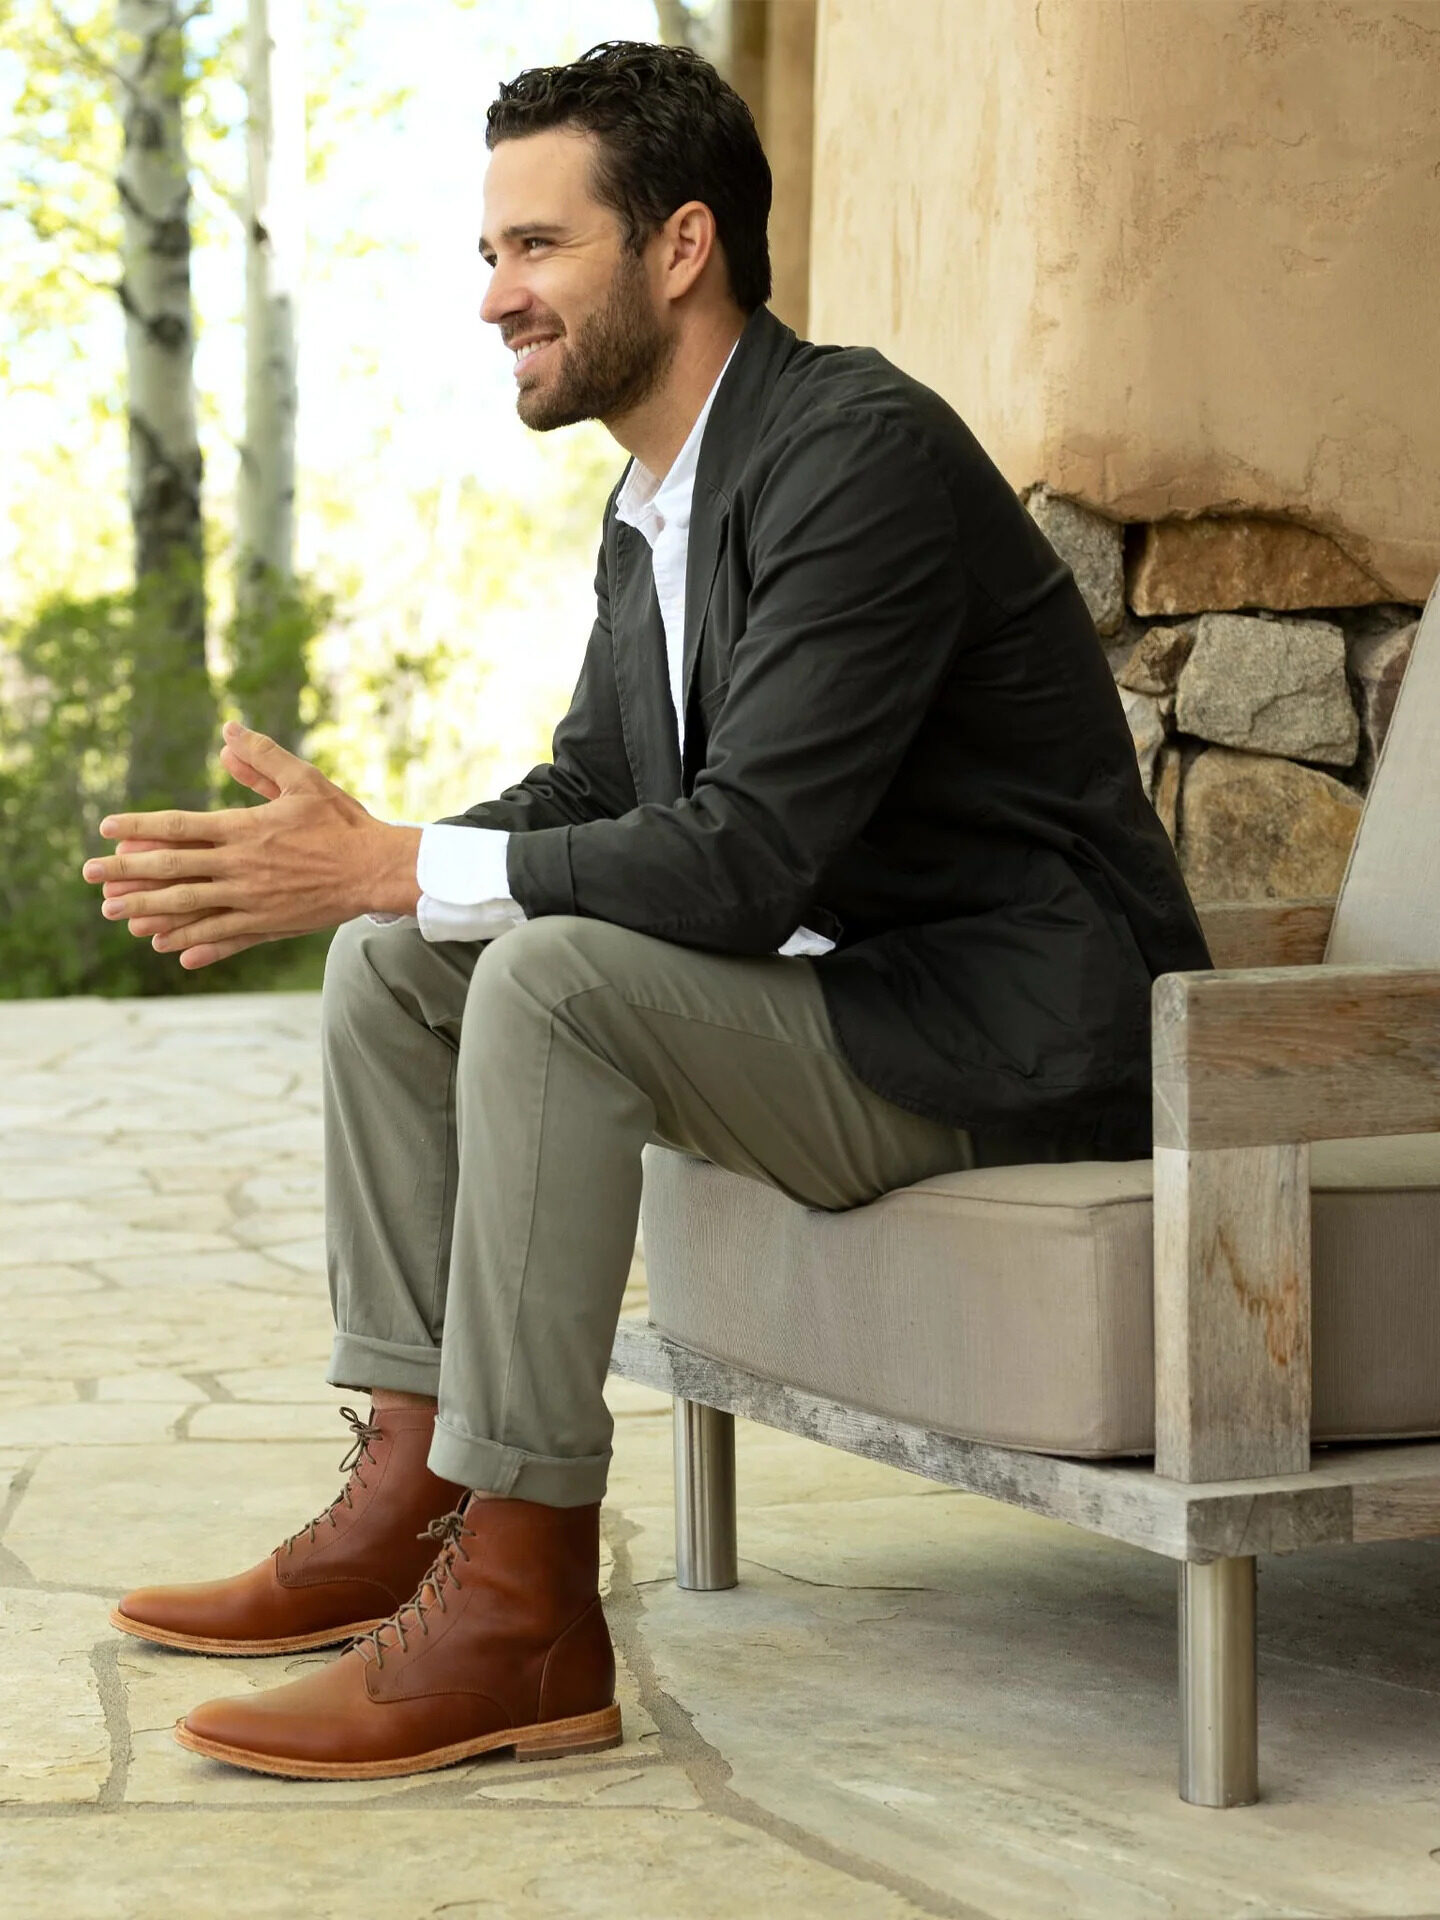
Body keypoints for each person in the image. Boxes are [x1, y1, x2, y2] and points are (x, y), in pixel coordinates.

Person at [81, 40, 1209, 1782]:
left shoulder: (859, 458)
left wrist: (397, 858)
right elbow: (602, 790)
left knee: (546, 983)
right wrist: (373, 856)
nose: (495, 298)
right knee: (399, 966)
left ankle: (527, 1610)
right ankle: (410, 1494)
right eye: (488, 256)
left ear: (681, 248)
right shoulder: (656, 505)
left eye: (535, 249)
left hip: (1012, 1039)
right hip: (855, 1014)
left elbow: (745, 856)